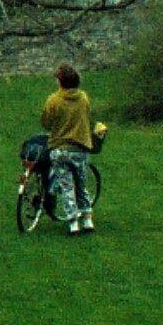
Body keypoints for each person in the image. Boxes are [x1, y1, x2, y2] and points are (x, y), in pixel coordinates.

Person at [41, 63, 98, 235]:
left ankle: (73, 223)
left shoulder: (54, 100)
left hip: (60, 149)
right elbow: (87, 115)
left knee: (67, 187)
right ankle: (87, 219)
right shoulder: (83, 98)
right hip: (80, 148)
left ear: (60, 81)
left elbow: (46, 122)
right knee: (81, 183)